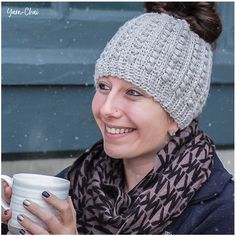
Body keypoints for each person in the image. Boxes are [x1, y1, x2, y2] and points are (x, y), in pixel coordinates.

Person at [2, 2, 234, 234]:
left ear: (176, 116)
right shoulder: (81, 181)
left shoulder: (220, 214)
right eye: (103, 86)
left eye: (133, 92)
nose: (107, 109)